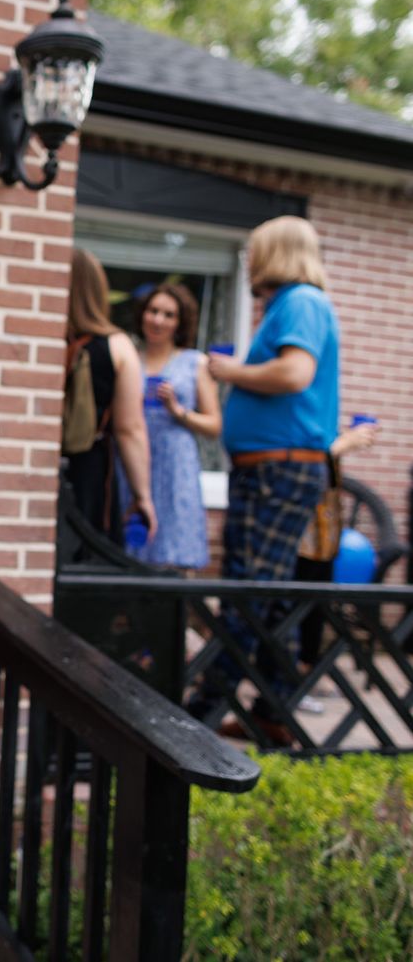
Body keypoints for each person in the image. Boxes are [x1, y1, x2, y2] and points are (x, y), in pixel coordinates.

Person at [190, 216, 340, 746]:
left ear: (276, 252)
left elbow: (295, 373)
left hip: (277, 468)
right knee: (269, 594)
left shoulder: (302, 301)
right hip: (272, 468)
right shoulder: (290, 304)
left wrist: (230, 373)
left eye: (255, 250)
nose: (250, 260)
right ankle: (271, 711)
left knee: (249, 590)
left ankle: (205, 708)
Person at [118, 283, 221, 569]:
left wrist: (179, 411)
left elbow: (214, 425)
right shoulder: (129, 357)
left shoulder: (194, 363)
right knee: (130, 547)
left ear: (180, 322)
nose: (158, 320)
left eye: (168, 314)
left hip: (176, 465)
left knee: (174, 551)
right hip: (133, 460)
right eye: (152, 311)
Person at [62, 247, 157, 543]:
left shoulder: (39, 337)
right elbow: (130, 429)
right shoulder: (117, 346)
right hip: (90, 472)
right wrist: (143, 496)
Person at [293, 420, 379, 708]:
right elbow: (301, 467)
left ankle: (305, 673)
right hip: (300, 537)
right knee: (295, 608)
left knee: (316, 608)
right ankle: (286, 683)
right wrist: (341, 446)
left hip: (324, 537)